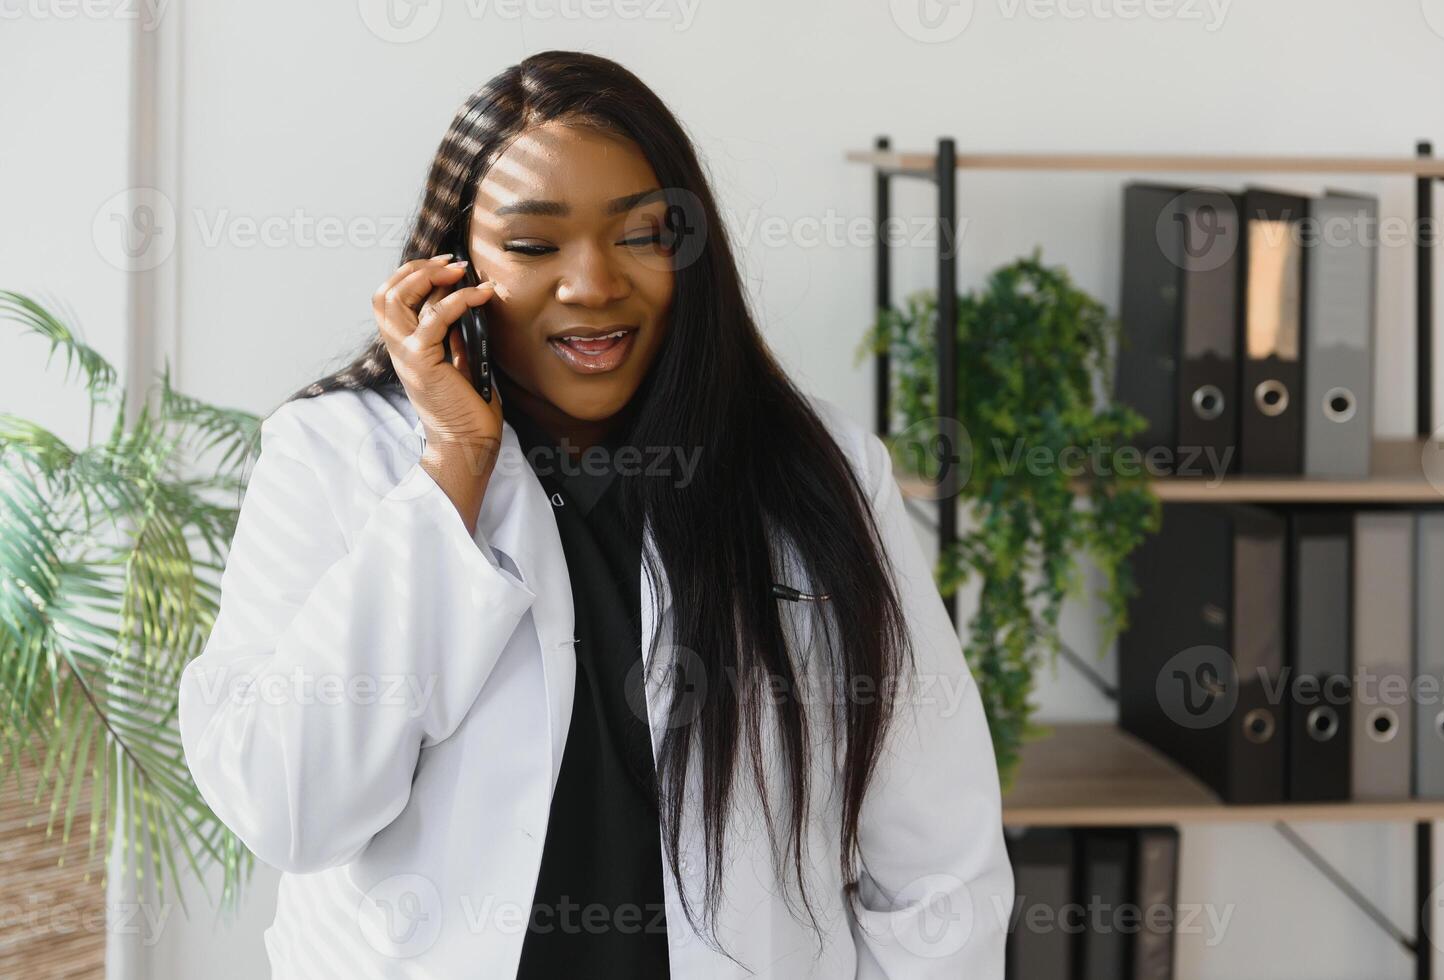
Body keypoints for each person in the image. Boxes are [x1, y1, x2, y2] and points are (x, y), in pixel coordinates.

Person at [177, 48, 1014, 979]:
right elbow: (291, 807)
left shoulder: (817, 470)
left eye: (641, 235)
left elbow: (937, 853)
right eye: (534, 246)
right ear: (450, 269)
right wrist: (453, 469)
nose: (592, 284)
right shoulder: (338, 457)